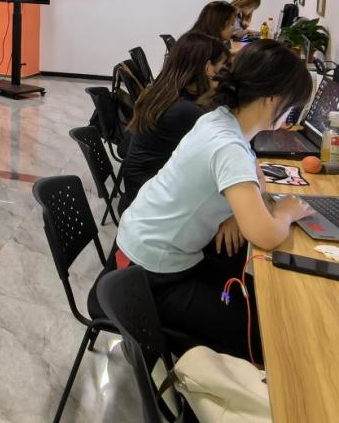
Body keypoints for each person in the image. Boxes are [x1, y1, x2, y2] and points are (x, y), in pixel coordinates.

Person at [116, 40, 315, 362]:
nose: (291, 116)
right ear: (273, 99)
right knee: (269, 335)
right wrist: (286, 212)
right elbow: (265, 234)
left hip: (141, 244)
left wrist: (241, 211)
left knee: (246, 282)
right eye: (292, 107)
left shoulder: (218, 119)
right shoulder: (228, 147)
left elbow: (252, 177)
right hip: (153, 275)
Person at [117, 32, 230, 212]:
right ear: (209, 69)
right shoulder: (184, 110)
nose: (224, 74)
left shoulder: (167, 90)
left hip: (142, 192)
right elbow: (229, 141)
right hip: (146, 205)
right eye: (222, 67)